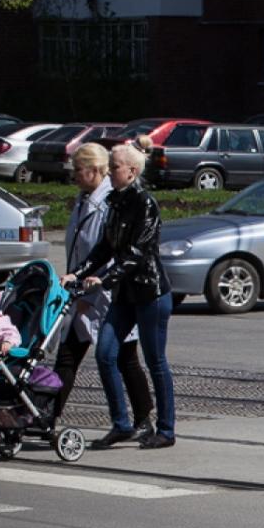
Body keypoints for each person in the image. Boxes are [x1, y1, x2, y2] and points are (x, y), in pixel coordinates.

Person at [64, 142, 176, 450]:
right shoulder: (115, 201)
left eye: (114, 167)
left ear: (132, 172)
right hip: (125, 293)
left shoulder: (145, 204)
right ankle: (122, 424)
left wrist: (102, 279)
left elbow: (136, 253)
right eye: (110, 166)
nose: (109, 172)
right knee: (105, 354)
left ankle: (166, 429)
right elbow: (105, 247)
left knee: (155, 361)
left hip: (150, 292)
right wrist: (78, 271)